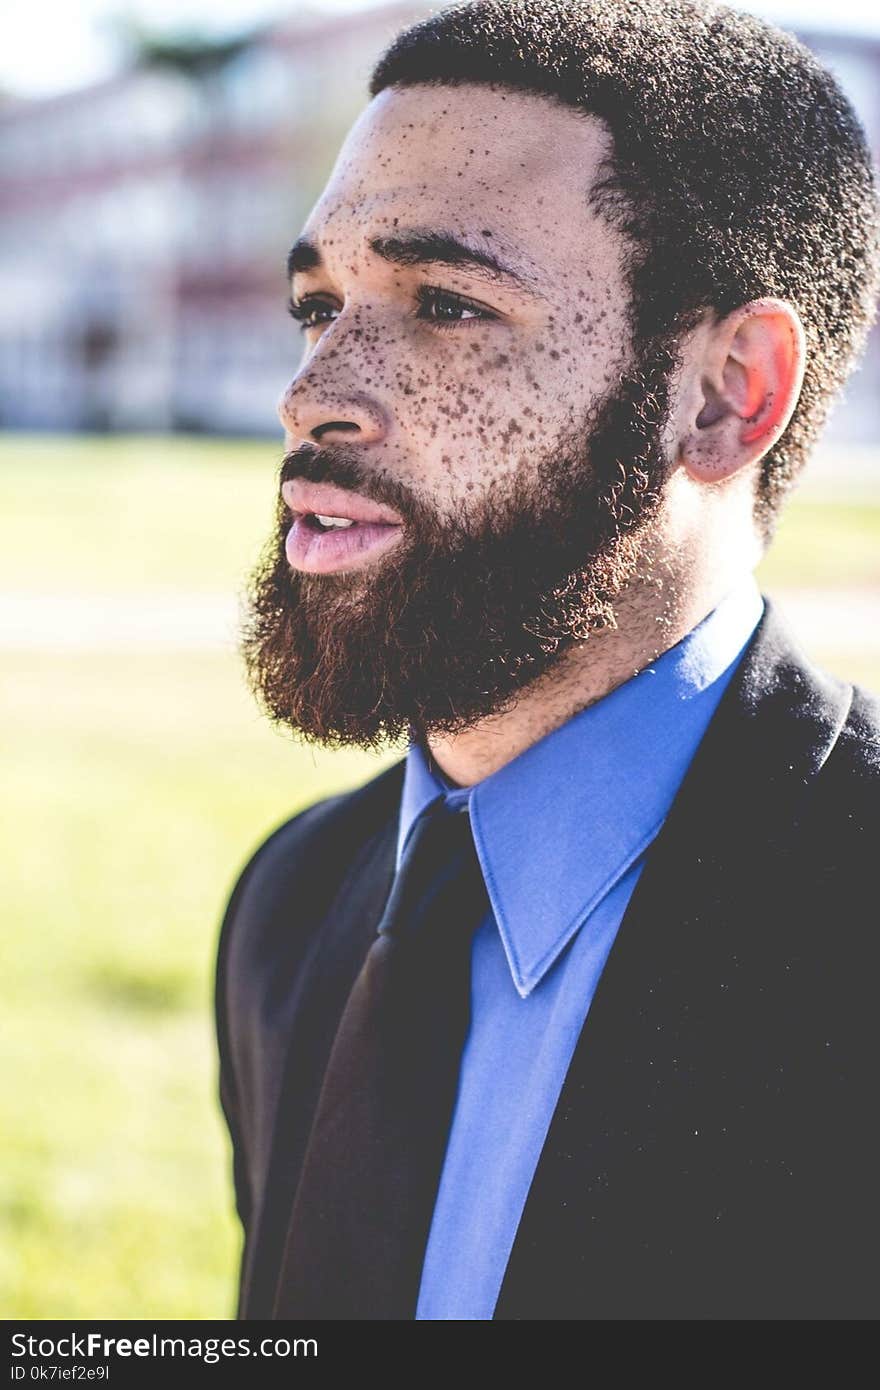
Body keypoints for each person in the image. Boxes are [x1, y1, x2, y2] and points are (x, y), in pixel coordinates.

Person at [215, 0, 880, 1320]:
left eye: (446, 303)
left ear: (726, 393)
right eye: (317, 303)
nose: (313, 392)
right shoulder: (291, 909)